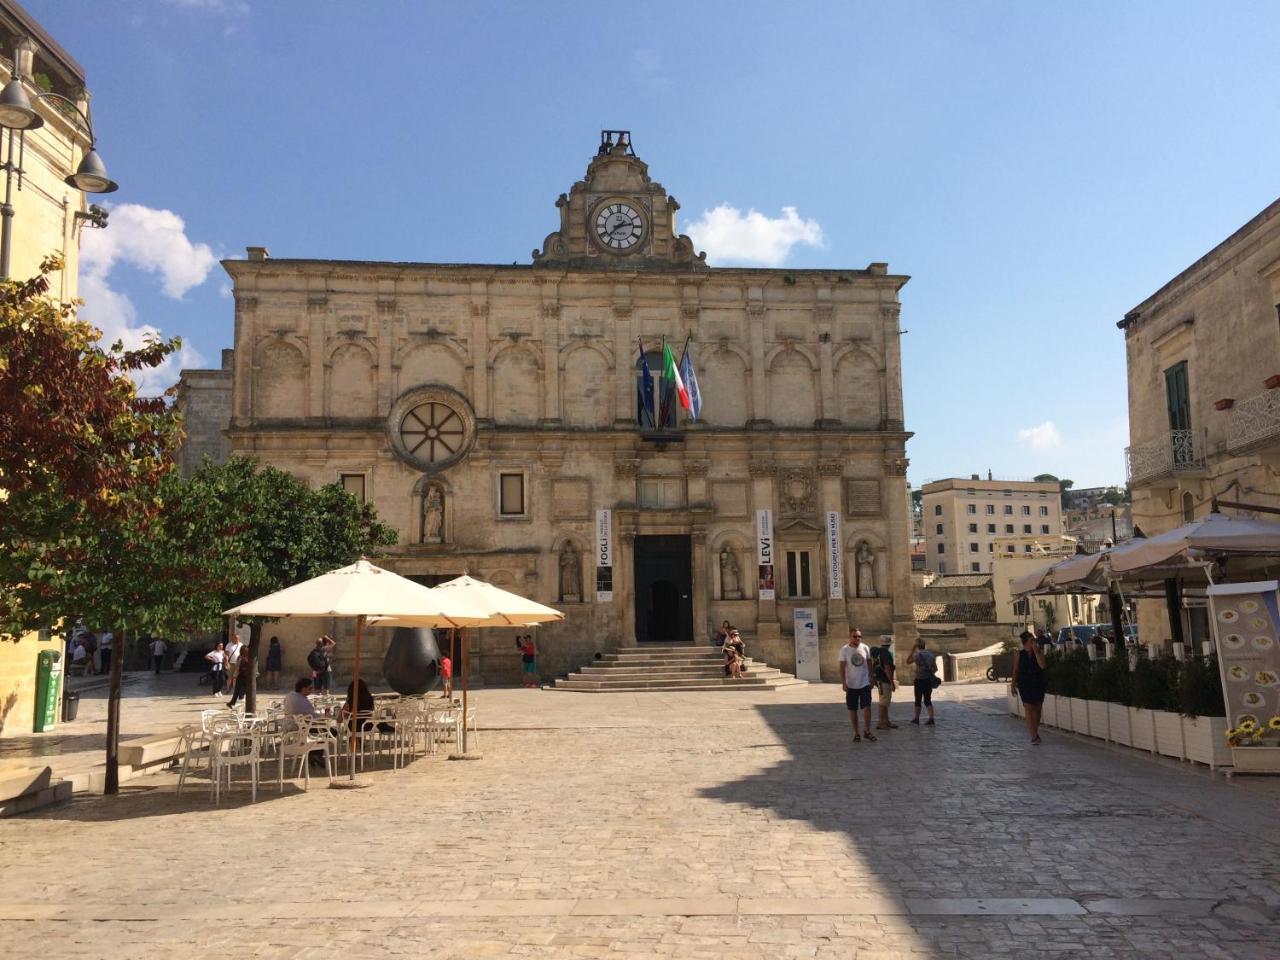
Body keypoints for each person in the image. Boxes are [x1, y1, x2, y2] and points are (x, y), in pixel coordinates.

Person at [1011, 629, 1048, 745]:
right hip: (1025, 683)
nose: (1034, 642)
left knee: (1037, 708)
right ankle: (1033, 736)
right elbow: (1016, 670)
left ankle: (1035, 732)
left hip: (1038, 682)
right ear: (1026, 642)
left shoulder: (1039, 651)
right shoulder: (1019, 654)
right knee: (1028, 707)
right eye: (1032, 640)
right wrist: (1013, 684)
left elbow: (1042, 665)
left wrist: (1037, 652)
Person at [839, 628, 875, 742]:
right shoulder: (844, 650)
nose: (857, 638)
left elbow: (869, 663)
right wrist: (844, 683)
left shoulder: (865, 648)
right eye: (855, 636)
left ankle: (867, 731)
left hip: (864, 682)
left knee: (867, 707)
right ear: (850, 637)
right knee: (853, 709)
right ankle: (856, 733)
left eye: (859, 636)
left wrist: (872, 677)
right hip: (851, 684)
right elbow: (841, 667)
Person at [907, 638, 937, 725]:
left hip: (919, 680)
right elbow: (935, 668)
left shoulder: (916, 655)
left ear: (917, 646)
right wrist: (928, 672)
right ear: (924, 645)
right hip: (928, 680)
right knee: (928, 700)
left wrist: (912, 650)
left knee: (918, 700)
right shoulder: (931, 655)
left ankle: (916, 718)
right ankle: (931, 718)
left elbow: (908, 661)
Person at [870, 636, 898, 730]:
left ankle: (886, 721)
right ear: (889, 644)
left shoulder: (878, 652)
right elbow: (887, 668)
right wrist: (892, 682)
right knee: (883, 702)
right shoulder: (886, 653)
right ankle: (881, 723)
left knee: (885, 702)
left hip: (879, 679)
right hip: (884, 680)